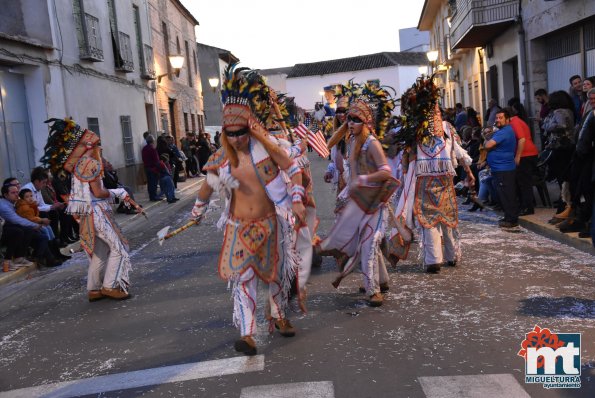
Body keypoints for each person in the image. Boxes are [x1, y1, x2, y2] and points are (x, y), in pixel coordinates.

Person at [191, 65, 306, 356]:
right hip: (239, 227)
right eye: (229, 133)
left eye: (241, 132)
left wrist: (296, 198)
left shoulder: (268, 147)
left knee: (278, 276)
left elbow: (292, 166)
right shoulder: (221, 158)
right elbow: (209, 184)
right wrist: (198, 210)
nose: (236, 139)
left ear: (250, 126)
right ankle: (247, 334)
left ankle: (279, 316)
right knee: (243, 280)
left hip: (273, 223)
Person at [40, 118, 137, 301]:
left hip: (86, 213)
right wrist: (118, 192)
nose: (100, 148)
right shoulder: (91, 164)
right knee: (119, 246)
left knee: (100, 251)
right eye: (97, 145)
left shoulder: (78, 165)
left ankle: (94, 289)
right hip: (97, 212)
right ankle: (109, 285)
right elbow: (99, 192)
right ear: (89, 147)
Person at [321, 82, 398, 306]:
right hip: (358, 201)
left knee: (370, 242)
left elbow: (386, 171)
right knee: (360, 243)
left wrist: (364, 180)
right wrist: (348, 189)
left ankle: (372, 290)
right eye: (349, 119)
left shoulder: (371, 143)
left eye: (356, 120)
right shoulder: (351, 140)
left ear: (366, 122)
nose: (350, 123)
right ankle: (380, 279)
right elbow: (349, 171)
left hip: (376, 201)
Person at [391, 76, 474, 273]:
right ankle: (449, 256)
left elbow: (406, 159)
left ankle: (434, 260)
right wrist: (469, 172)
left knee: (431, 221)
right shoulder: (440, 128)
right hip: (439, 181)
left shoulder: (418, 129)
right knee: (443, 219)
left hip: (428, 182)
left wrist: (403, 179)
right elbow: (459, 153)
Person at [0, 181, 58, 267]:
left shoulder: (15, 202)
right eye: (13, 193)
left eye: (17, 192)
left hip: (18, 228)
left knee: (42, 236)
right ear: (6, 195)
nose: (16, 195)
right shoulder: (3, 205)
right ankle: (13, 258)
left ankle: (45, 258)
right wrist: (36, 224)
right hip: (7, 232)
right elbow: (16, 220)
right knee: (23, 231)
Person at [486, 109, 520, 229]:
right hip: (501, 168)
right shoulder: (503, 130)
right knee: (505, 193)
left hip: (503, 169)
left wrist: (487, 138)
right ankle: (508, 216)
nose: (498, 120)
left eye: (501, 118)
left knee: (507, 194)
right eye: (496, 118)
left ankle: (511, 219)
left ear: (507, 119)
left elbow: (488, 145)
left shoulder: (504, 132)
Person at [509, 106, 539, 216]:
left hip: (526, 155)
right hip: (527, 154)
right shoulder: (517, 121)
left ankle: (528, 207)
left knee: (524, 182)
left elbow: (522, 139)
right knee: (521, 181)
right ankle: (525, 204)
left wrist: (518, 156)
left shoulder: (514, 122)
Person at [142, 134, 162, 201]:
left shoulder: (144, 149)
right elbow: (156, 160)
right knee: (154, 183)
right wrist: (159, 168)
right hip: (153, 168)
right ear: (152, 141)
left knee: (150, 183)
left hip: (146, 167)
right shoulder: (152, 149)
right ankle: (154, 196)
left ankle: (151, 196)